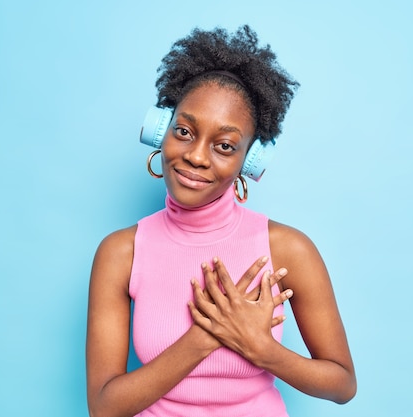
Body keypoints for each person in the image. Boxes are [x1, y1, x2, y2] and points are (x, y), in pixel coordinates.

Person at [86, 25, 356, 417]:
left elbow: (343, 383)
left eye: (224, 146)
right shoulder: (121, 252)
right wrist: (206, 336)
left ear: (249, 161)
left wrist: (260, 348)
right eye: (184, 131)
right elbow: (104, 407)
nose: (196, 156)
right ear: (159, 132)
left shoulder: (287, 250)